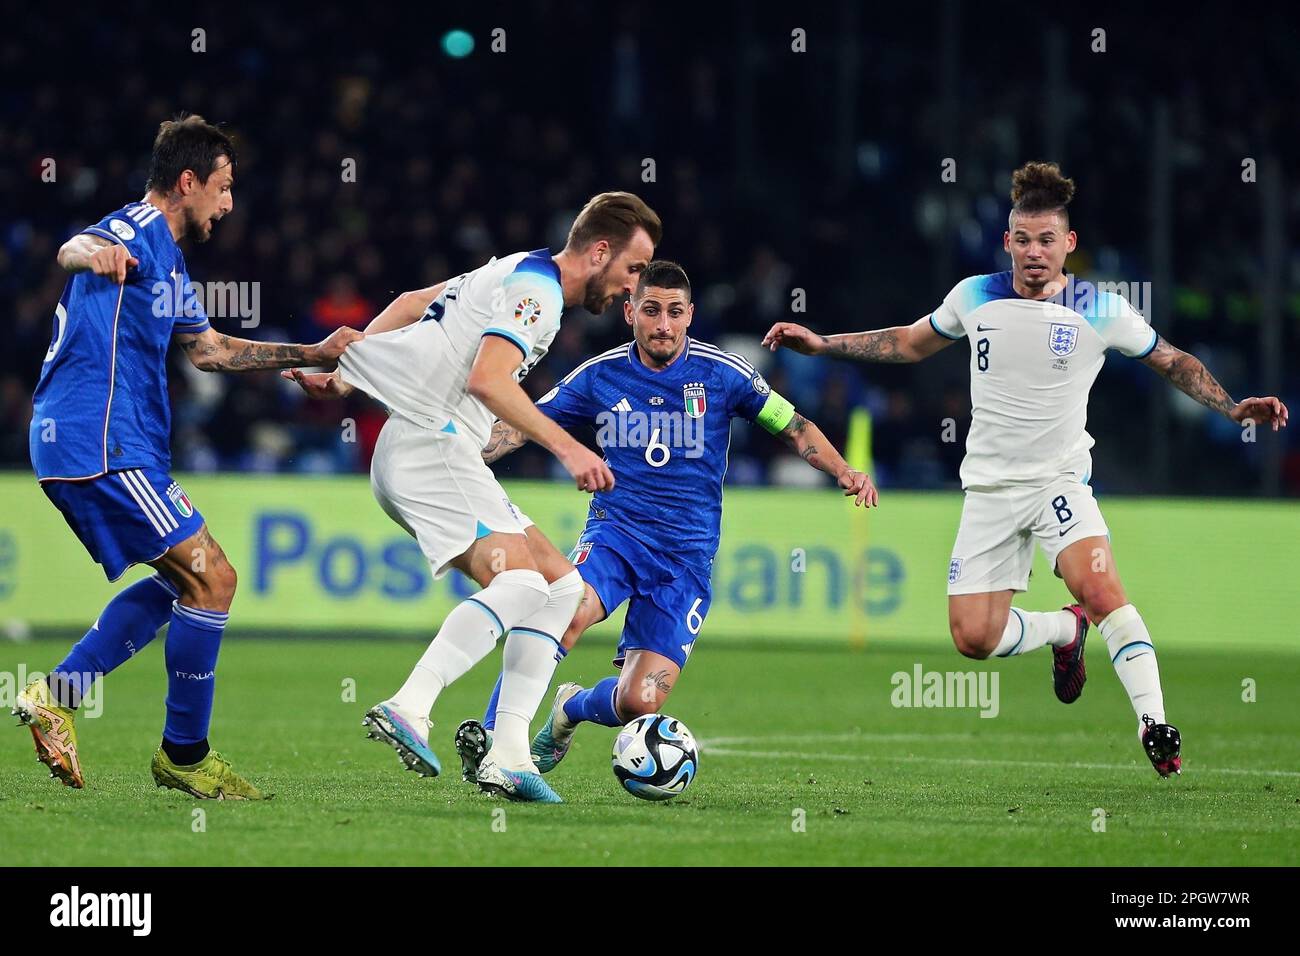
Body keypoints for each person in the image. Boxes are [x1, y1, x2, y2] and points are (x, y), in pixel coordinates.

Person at [763, 161, 1289, 777]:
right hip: (988, 488)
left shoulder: (1102, 309)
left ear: (1069, 244)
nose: (1034, 253)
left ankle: (1154, 722)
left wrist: (1231, 407)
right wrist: (824, 344)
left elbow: (1171, 361)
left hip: (1058, 483)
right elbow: (909, 342)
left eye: (1047, 240)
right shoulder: (974, 295)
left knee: (1100, 590)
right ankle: (1064, 634)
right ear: (1006, 241)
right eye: (1023, 239)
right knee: (973, 639)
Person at [17, 115, 362, 798]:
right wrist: (91, 254)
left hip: (99, 442)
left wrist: (312, 351)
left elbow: (209, 350)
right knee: (215, 579)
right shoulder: (136, 230)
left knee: (190, 583)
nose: (229, 204)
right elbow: (74, 246)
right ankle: (182, 753)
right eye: (224, 188)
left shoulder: (168, 261)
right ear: (187, 182)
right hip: (103, 442)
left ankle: (59, 693)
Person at [284, 192, 661, 802]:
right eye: (634, 269)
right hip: (431, 444)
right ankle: (411, 705)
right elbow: (487, 380)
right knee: (520, 586)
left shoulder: (513, 267)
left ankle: (509, 754)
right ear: (599, 251)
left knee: (562, 587)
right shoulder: (535, 296)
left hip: (434, 447)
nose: (633, 287)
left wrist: (343, 379)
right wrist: (569, 449)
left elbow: (409, 304)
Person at [457, 260, 876, 785]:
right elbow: (519, 425)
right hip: (616, 537)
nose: (663, 324)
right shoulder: (599, 375)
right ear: (630, 311)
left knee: (639, 700)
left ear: (690, 316)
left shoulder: (724, 375)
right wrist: (463, 457)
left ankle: (570, 709)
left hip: (685, 562)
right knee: (566, 609)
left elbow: (793, 427)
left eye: (674, 312)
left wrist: (843, 470)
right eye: (651, 310)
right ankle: (500, 741)